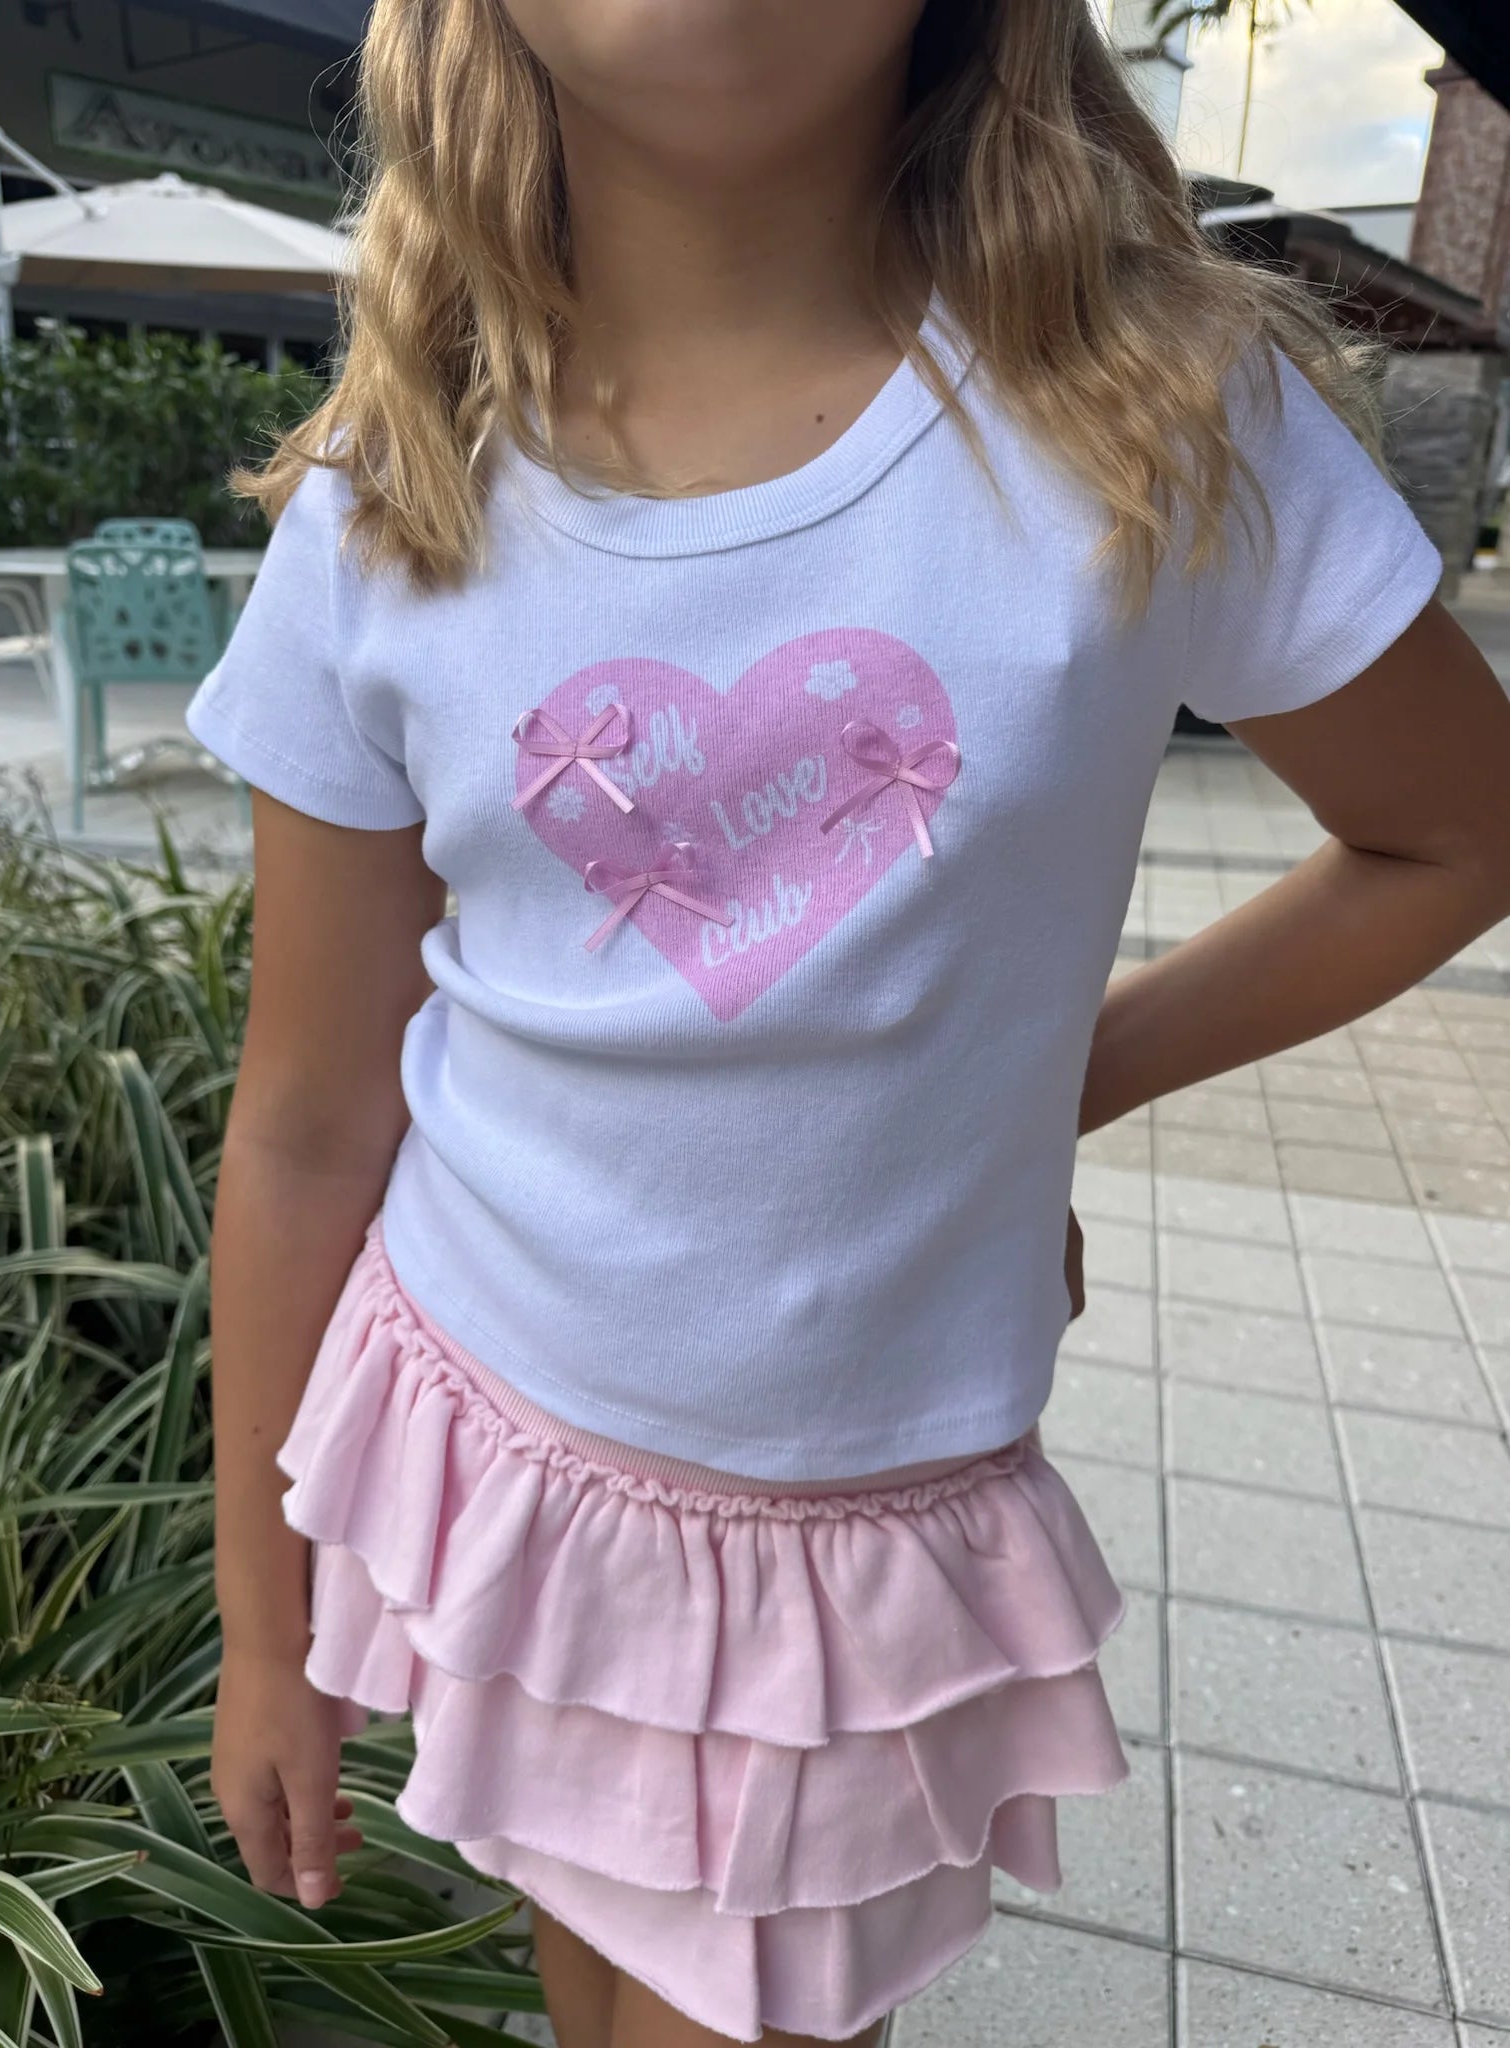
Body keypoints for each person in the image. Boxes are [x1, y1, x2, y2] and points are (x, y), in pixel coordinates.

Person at [192, 2, 1510, 2044]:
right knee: (590, 1980)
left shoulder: (1151, 408)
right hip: (485, 1438)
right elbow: (304, 1123)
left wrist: (1048, 1092)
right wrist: (263, 1634)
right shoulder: (389, 498)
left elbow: (1455, 830)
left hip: (847, 1538)